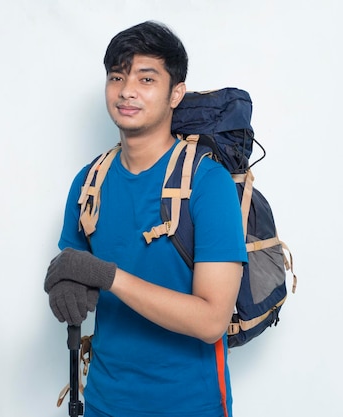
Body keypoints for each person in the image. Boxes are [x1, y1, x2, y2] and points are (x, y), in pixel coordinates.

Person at [44, 21, 248, 417]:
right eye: (117, 76)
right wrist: (65, 287)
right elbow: (73, 270)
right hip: (103, 402)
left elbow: (211, 320)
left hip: (191, 406)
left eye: (146, 78)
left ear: (176, 94)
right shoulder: (89, 183)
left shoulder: (208, 184)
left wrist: (109, 277)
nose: (127, 91)